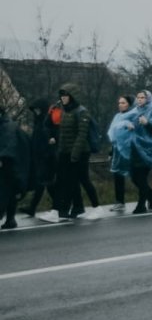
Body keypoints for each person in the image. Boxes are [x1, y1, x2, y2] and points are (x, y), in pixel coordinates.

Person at [41, 82, 98, 223]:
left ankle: (96, 207)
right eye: (61, 95)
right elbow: (60, 133)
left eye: (66, 95)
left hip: (80, 152)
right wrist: (61, 151)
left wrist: (75, 154)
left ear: (73, 96)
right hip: (65, 152)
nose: (63, 98)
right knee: (62, 181)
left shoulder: (82, 112)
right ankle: (62, 211)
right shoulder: (65, 111)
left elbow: (81, 135)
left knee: (83, 180)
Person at [19, 98, 57, 217]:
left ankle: (56, 205)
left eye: (38, 109)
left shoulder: (46, 122)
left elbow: (49, 140)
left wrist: (47, 154)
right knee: (44, 184)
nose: (36, 112)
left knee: (44, 183)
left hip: (46, 158)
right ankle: (57, 204)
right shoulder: (38, 122)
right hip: (39, 158)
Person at [0, 106, 31, 229]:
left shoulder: (7, 126)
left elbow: (9, 145)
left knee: (4, 191)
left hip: (8, 163)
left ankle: (9, 218)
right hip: (11, 163)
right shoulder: (8, 124)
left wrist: (2, 158)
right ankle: (10, 219)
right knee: (10, 191)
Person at [108, 94, 137, 212]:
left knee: (136, 177)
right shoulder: (117, 116)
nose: (120, 105)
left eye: (123, 103)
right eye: (119, 103)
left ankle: (148, 196)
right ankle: (119, 202)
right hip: (118, 151)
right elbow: (114, 135)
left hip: (131, 151)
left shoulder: (133, 116)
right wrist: (111, 151)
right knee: (118, 175)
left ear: (129, 105)